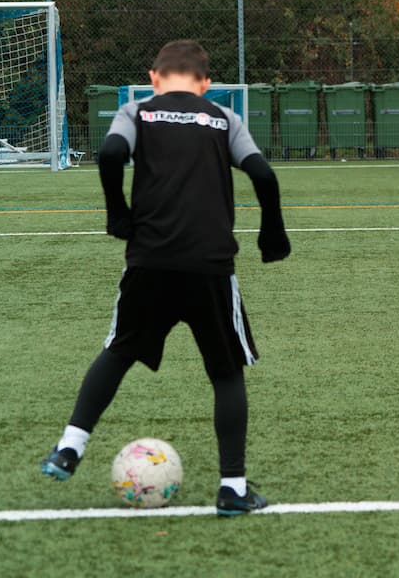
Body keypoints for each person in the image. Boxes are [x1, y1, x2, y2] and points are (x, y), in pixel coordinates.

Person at [40, 40, 291, 516]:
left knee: (118, 351)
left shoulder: (137, 112)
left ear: (153, 77)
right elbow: (263, 174)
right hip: (209, 265)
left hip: (149, 261)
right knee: (225, 371)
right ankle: (233, 489)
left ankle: (69, 446)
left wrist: (119, 214)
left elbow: (111, 154)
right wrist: (272, 235)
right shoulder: (222, 118)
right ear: (206, 84)